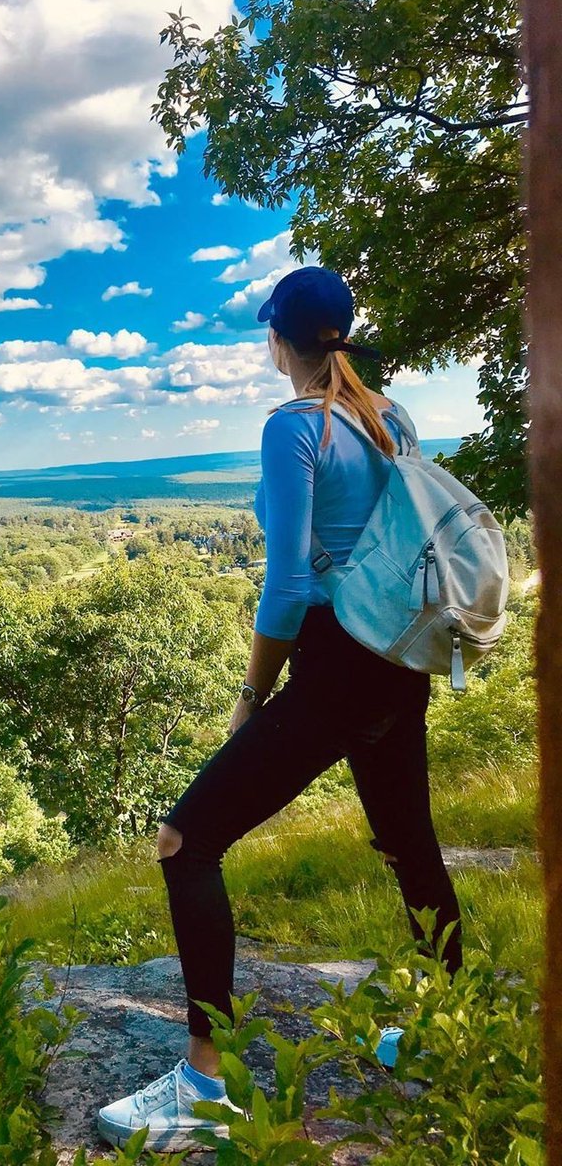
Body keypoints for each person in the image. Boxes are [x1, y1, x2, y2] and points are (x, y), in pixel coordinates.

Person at [96, 266, 464, 1154]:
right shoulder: (392, 418)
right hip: (399, 661)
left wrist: (253, 695)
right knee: (407, 844)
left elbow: (290, 586)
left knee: (186, 842)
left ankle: (203, 1083)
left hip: (335, 666)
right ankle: (447, 1033)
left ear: (277, 341)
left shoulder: (293, 428)